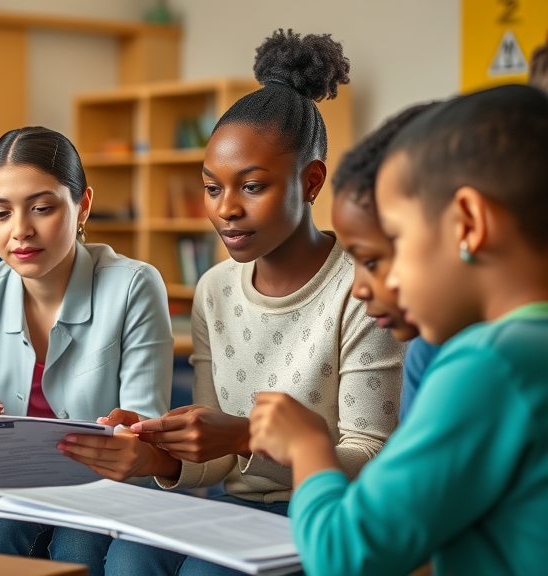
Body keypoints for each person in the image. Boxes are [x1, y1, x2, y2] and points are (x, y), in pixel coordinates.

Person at [96, 30, 405, 575]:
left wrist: (242, 433)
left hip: (326, 515)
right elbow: (218, 463)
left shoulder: (362, 288)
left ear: (311, 182)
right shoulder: (214, 290)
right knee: (125, 558)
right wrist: (160, 453)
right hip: (235, 511)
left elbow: (373, 461)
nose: (226, 210)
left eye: (252, 187)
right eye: (212, 188)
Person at [250, 84, 548, 576]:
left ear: (469, 223)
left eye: (400, 239)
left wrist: (308, 448)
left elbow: (344, 554)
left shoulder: (489, 364)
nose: (382, 280)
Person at [0, 126, 173, 575]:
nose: (20, 231)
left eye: (42, 208)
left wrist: (130, 441)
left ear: (82, 205)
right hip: (19, 492)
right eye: (0, 213)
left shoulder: (133, 286)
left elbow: (146, 451)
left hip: (109, 490)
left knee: (78, 542)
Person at [330, 102, 443, 420]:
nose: (358, 291)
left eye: (371, 261)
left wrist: (305, 447)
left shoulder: (483, 358)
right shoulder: (425, 350)